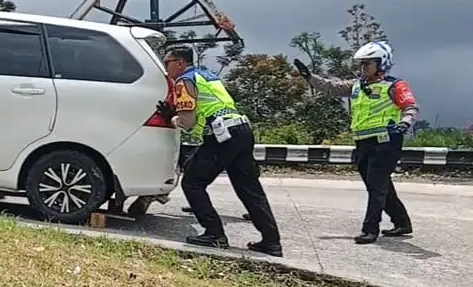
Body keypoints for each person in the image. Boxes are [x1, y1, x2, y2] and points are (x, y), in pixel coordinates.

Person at [156, 47, 283, 256]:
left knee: (192, 182)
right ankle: (271, 242)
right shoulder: (206, 75)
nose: (165, 67)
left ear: (179, 63)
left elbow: (187, 123)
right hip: (241, 130)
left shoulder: (184, 81)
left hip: (221, 135)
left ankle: (214, 234)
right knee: (249, 189)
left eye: (167, 62)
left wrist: (171, 117)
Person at [293, 40, 418, 244]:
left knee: (376, 186)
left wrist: (405, 123)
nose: (363, 68)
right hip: (363, 142)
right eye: (361, 64)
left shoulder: (395, 85)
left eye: (367, 63)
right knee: (379, 184)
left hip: (387, 141)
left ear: (381, 63)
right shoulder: (356, 85)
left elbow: (410, 107)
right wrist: (309, 77)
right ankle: (402, 222)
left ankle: (370, 229)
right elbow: (331, 87)